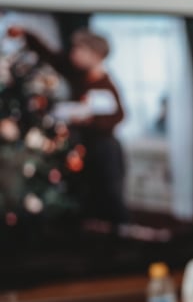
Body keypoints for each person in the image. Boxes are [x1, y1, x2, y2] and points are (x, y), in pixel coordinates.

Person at [10, 25, 128, 231]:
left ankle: (120, 230)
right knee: (82, 193)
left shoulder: (105, 84)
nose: (74, 54)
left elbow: (118, 116)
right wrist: (26, 33)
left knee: (109, 192)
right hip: (77, 148)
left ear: (96, 55)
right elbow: (50, 55)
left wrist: (88, 120)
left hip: (104, 149)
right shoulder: (75, 73)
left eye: (80, 50)